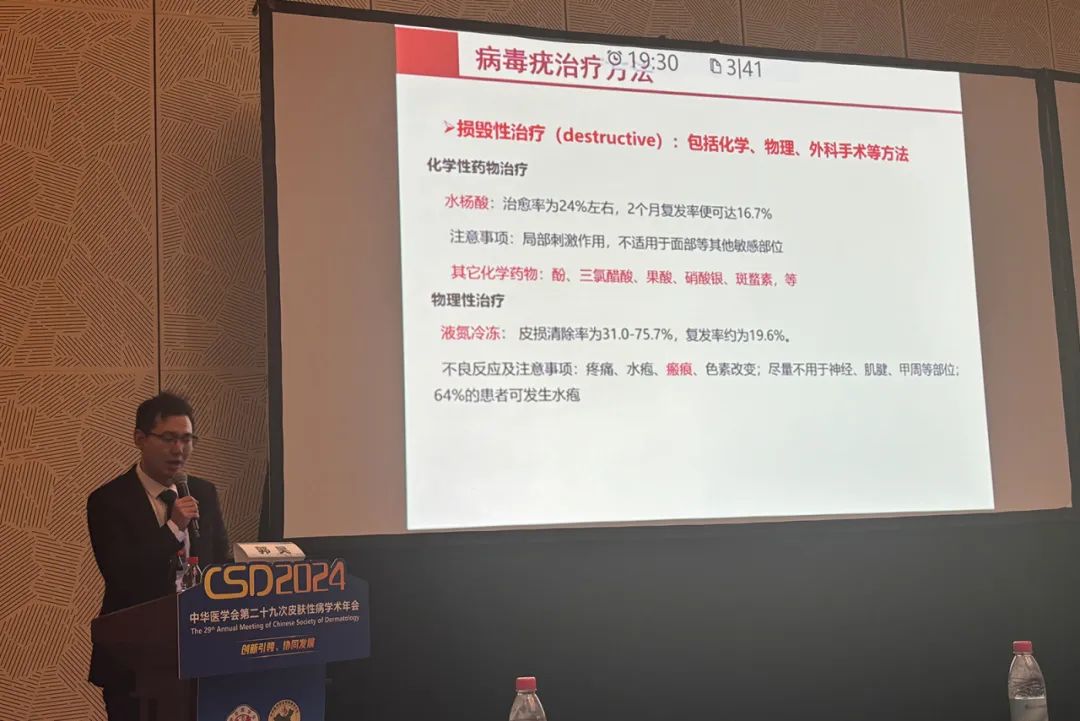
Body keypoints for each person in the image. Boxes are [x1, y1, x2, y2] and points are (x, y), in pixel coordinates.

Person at [86, 392, 231, 721]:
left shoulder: (204, 493)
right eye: (168, 439)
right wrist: (173, 528)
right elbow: (122, 574)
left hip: (199, 652)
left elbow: (220, 564)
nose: (179, 449)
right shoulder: (108, 500)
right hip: (133, 659)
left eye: (187, 439)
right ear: (140, 439)